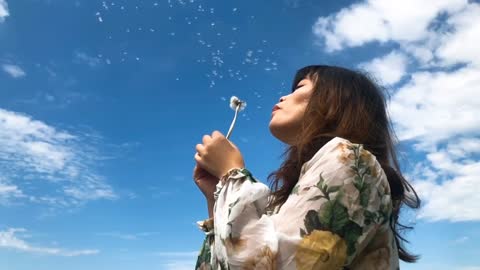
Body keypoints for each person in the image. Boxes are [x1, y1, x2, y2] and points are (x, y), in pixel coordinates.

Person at [193, 65, 420, 269]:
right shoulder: (287, 199)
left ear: (335, 101)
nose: (283, 96)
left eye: (299, 87)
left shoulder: (353, 159)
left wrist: (231, 174)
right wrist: (216, 198)